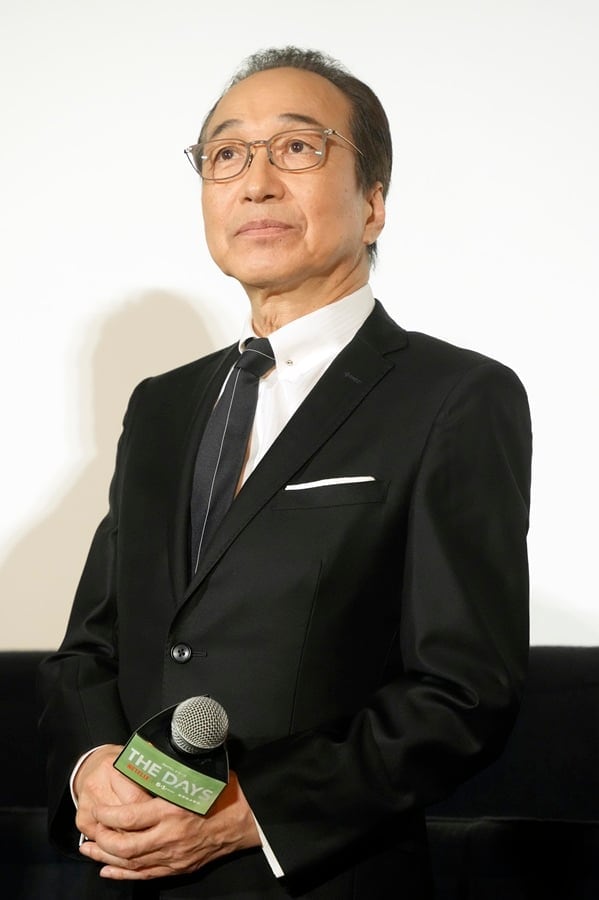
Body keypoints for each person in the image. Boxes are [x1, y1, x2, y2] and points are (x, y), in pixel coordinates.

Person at [38, 46, 532, 899]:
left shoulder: (453, 396)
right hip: (130, 878)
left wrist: (249, 812)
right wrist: (92, 768)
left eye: (298, 148)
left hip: (317, 879)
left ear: (372, 203)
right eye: (226, 154)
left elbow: (462, 692)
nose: (256, 184)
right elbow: (93, 645)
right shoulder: (161, 405)